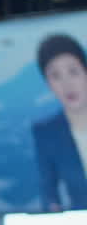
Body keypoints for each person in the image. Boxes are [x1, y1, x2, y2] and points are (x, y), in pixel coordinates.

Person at [33, 33, 87, 212]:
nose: (67, 84)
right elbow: (48, 192)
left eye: (73, 72)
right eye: (55, 76)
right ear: (48, 83)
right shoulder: (46, 132)